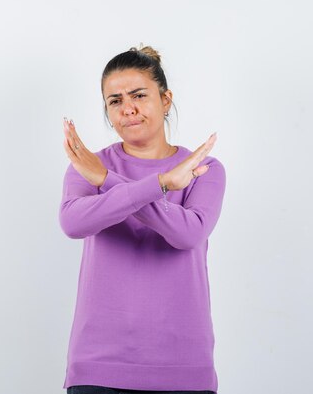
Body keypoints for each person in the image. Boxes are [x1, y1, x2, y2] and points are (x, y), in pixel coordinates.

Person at [59, 44, 226, 394]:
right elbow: (73, 223)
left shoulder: (203, 169)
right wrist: (161, 184)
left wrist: (107, 181)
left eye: (138, 95)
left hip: (183, 364)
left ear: (165, 100)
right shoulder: (87, 166)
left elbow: (187, 234)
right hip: (98, 365)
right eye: (115, 101)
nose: (128, 109)